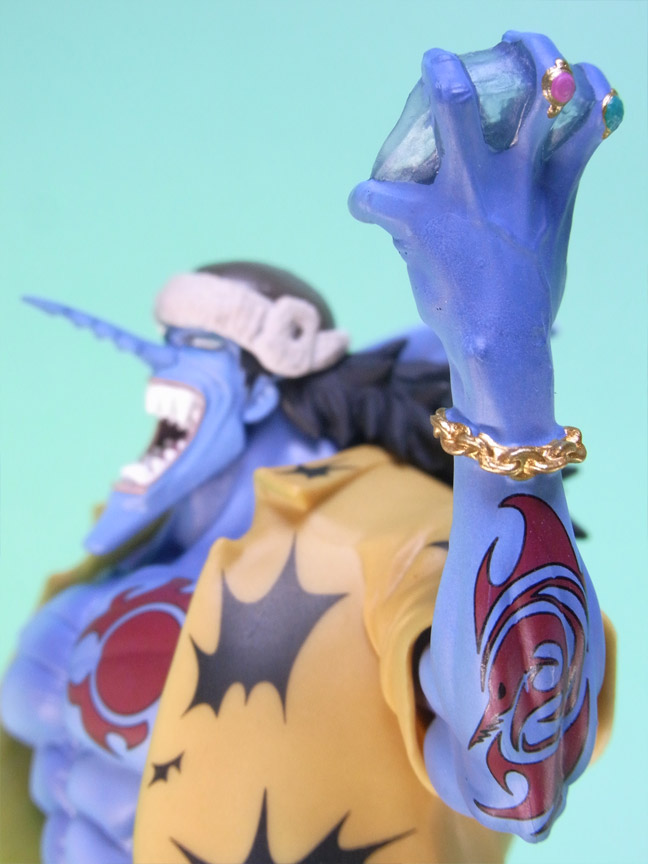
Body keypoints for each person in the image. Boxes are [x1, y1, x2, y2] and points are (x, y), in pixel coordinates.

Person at [1, 30, 620, 864]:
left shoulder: (385, 534)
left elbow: (520, 780)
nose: (161, 364)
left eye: (191, 344)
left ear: (262, 380)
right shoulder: (144, 542)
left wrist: (501, 371)